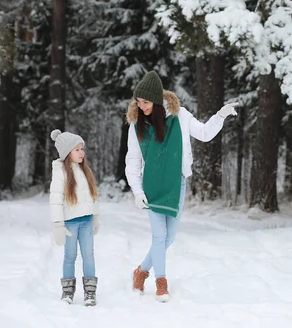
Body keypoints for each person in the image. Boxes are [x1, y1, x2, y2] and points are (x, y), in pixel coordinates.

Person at [125, 71, 238, 302]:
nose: (141, 106)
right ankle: (161, 283)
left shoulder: (181, 116)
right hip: (152, 186)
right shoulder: (137, 125)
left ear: (156, 100)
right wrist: (137, 191)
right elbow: (133, 161)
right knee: (159, 237)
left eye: (145, 102)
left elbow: (205, 134)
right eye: (138, 102)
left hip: (177, 183)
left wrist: (220, 116)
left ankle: (141, 271)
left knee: (169, 238)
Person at [49, 129, 100, 306]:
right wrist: (58, 224)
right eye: (77, 149)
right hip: (70, 223)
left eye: (81, 149)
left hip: (86, 221)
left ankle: (90, 293)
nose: (81, 152)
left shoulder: (84, 170)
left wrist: (95, 217)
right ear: (66, 153)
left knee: (89, 256)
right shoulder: (60, 172)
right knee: (70, 256)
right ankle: (68, 292)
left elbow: (92, 196)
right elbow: (55, 200)